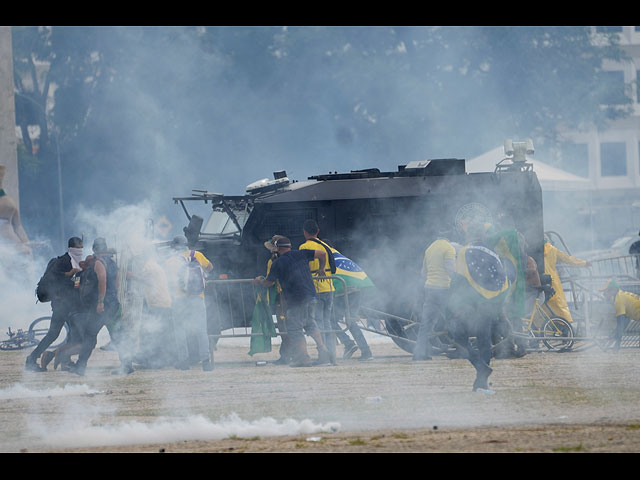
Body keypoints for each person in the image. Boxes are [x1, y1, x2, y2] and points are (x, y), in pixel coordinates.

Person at [446, 218, 509, 392]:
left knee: (458, 336)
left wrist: (454, 305)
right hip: (491, 303)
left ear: (469, 234)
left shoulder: (465, 252)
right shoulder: (492, 252)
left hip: (472, 303)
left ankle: (480, 367)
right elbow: (502, 277)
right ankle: (480, 381)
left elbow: (458, 280)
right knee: (484, 340)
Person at [253, 236, 332, 367]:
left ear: (278, 248)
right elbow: (323, 254)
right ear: (289, 246)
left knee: (295, 329)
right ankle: (324, 353)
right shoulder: (301, 253)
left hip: (296, 299)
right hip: (311, 295)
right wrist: (322, 268)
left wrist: (258, 281)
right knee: (310, 324)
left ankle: (303, 358)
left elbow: (268, 283)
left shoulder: (278, 263)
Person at [25, 236, 83, 372]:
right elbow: (54, 278)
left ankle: (64, 360)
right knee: (54, 334)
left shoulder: (75, 261)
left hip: (68, 303)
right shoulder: (64, 261)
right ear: (72, 248)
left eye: (81, 248)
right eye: (78, 248)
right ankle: (32, 359)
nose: (80, 251)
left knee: (71, 333)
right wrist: (70, 274)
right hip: (61, 304)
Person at [70, 238, 122, 376]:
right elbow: (117, 280)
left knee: (90, 334)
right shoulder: (112, 262)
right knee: (117, 336)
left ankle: (80, 366)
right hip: (113, 304)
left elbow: (102, 281)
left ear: (94, 249)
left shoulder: (99, 262)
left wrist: (100, 301)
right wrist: (115, 297)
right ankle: (127, 365)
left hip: (103, 306)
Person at [164, 235, 214, 371]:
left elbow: (168, 281)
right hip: (198, 298)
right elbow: (210, 267)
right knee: (201, 330)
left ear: (174, 248)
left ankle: (184, 361)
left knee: (180, 330)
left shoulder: (169, 262)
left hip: (179, 300)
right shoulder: (197, 255)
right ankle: (206, 362)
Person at [127, 250, 175, 370]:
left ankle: (155, 361)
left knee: (154, 332)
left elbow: (144, 280)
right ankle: (149, 358)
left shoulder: (149, 266)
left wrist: (130, 275)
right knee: (152, 331)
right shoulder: (154, 265)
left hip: (158, 303)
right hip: (159, 302)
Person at [413, 230, 456, 361]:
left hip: (430, 288)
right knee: (454, 318)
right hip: (444, 289)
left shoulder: (429, 248)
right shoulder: (449, 248)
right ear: (449, 238)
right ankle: (461, 349)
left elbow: (423, 273)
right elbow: (451, 270)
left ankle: (419, 353)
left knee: (426, 323)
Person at [299, 219, 338, 365]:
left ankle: (324, 356)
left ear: (304, 232)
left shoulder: (304, 246)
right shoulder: (326, 246)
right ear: (318, 231)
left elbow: (303, 267)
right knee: (327, 323)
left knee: (318, 323)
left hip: (315, 288)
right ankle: (332, 355)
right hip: (329, 287)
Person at [543, 237, 590, 324]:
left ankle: (543, 327)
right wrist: (584, 263)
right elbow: (568, 259)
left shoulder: (535, 251)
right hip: (553, 280)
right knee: (559, 304)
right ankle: (564, 324)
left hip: (541, 279)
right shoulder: (553, 250)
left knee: (543, 304)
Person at [263, 235, 292, 365]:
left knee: (284, 327)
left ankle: (286, 356)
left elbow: (270, 280)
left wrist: (260, 281)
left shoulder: (272, 262)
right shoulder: (292, 258)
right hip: (293, 295)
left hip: (282, 296)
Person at [0, 164, 31, 256]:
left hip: (11, 244)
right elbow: (18, 226)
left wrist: (26, 243)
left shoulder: (9, 203)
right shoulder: (9, 203)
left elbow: (18, 226)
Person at [601, 279, 640, 350]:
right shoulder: (621, 295)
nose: (604, 295)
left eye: (605, 292)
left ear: (613, 290)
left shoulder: (619, 300)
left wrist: (617, 343)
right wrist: (616, 333)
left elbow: (621, 324)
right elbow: (625, 321)